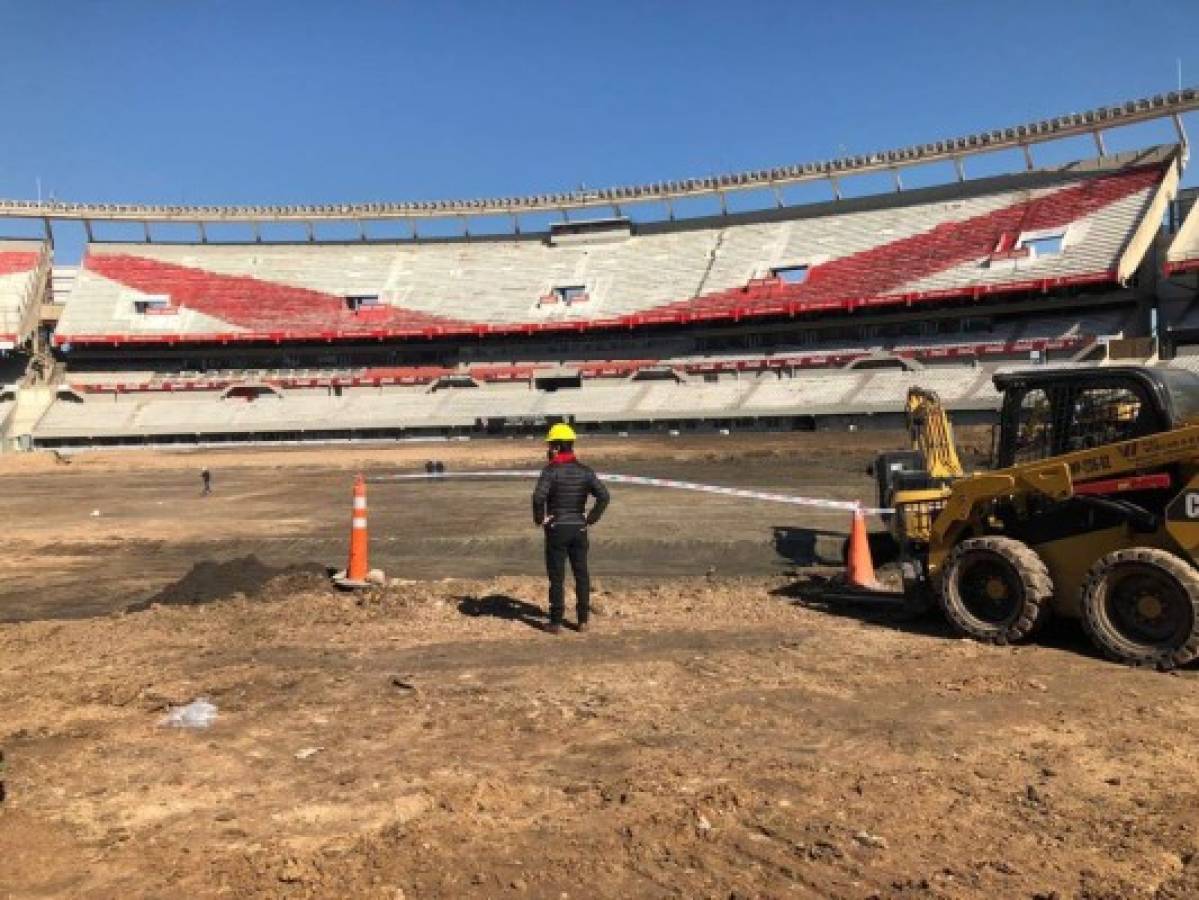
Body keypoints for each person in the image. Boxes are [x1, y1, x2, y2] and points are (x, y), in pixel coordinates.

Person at [531, 423, 609, 634]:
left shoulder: (550, 471)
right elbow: (604, 496)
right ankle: (582, 620)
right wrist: (590, 518)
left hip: (557, 529)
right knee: (581, 574)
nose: (548, 449)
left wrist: (540, 519)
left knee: (557, 577)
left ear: (556, 447)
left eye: (550, 445)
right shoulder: (585, 471)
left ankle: (556, 622)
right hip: (579, 529)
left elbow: (538, 497)